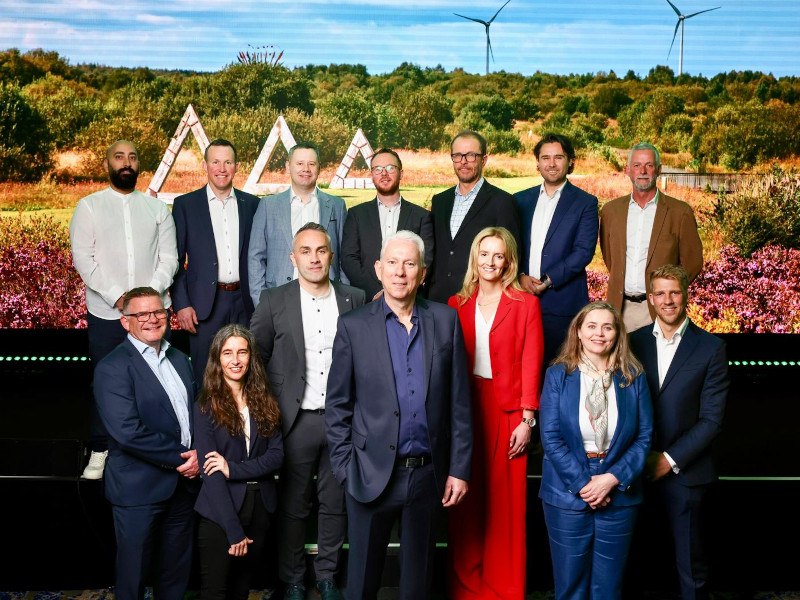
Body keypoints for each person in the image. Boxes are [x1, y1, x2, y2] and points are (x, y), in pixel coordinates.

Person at [326, 230, 472, 600]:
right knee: (361, 583)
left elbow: (459, 404)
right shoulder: (353, 326)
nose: (400, 272)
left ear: (422, 273)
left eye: (409, 264)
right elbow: (338, 405)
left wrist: (458, 469)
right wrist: (346, 467)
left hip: (426, 476)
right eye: (392, 263)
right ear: (378, 269)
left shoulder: (445, 321)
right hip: (369, 473)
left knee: (417, 585)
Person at [250, 223, 365, 600]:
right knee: (294, 506)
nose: (314, 258)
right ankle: (294, 579)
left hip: (342, 421)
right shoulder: (273, 300)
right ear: (293, 257)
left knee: (335, 503)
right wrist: (269, 412)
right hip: (294, 421)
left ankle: (328, 575)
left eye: (321, 251)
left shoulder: (355, 298)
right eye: (306, 251)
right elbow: (257, 359)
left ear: (331, 256)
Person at [70, 140, 178, 479]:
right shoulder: (88, 207)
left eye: (132, 156)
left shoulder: (157, 209)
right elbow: (84, 261)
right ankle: (102, 448)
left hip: (155, 316)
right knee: (106, 381)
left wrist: (146, 303)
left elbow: (170, 259)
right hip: (107, 315)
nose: (126, 162)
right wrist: (122, 300)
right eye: (119, 157)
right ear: (108, 164)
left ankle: (162, 448)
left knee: (157, 381)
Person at [447, 227, 544, 600]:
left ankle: (504, 587)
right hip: (466, 412)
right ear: (475, 258)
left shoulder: (524, 304)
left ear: (508, 261)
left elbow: (532, 361)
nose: (490, 262)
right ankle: (465, 586)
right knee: (466, 502)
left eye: (498, 255)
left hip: (507, 412)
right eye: (484, 254)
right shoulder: (457, 304)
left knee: (505, 506)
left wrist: (527, 418)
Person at [539, 301, 653, 600]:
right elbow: (550, 436)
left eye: (607, 327)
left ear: (617, 334)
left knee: (609, 588)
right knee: (570, 587)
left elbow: (644, 436)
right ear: (578, 331)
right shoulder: (558, 375)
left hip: (619, 489)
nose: (598, 334)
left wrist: (612, 478)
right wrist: (583, 484)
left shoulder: (633, 376)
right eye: (591, 326)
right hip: (566, 490)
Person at [629, 265, 728, 600]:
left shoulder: (711, 348)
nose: (667, 300)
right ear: (652, 299)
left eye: (674, 292)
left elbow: (712, 420)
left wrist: (668, 460)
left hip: (686, 474)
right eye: (660, 293)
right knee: (635, 566)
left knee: (691, 571)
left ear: (686, 294)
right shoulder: (632, 342)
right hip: (634, 471)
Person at [93, 287, 197, 600]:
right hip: (138, 488)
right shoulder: (112, 368)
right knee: (133, 576)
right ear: (126, 322)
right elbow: (128, 431)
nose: (151, 319)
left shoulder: (180, 358)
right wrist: (183, 458)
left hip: (183, 487)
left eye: (158, 312)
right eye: (141, 314)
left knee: (176, 574)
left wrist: (200, 452)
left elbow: (195, 416)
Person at [193, 324, 284, 600]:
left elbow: (277, 456)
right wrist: (233, 532)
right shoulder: (205, 405)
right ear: (217, 359)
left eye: (242, 352)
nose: (235, 360)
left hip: (260, 508)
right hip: (221, 514)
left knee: (242, 590)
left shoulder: (265, 400)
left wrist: (232, 468)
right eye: (228, 353)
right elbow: (211, 475)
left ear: (251, 357)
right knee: (216, 593)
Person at [170, 139, 261, 382]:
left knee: (247, 372)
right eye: (216, 162)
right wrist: (181, 304)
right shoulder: (185, 205)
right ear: (205, 165)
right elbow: (175, 261)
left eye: (228, 162)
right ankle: (205, 421)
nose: (222, 168)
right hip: (203, 306)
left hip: (245, 302)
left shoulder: (252, 204)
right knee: (205, 374)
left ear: (236, 166)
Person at [514, 133, 599, 367]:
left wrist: (547, 280)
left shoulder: (585, 203)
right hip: (521, 299)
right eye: (545, 158)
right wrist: (520, 276)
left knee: (560, 371)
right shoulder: (520, 200)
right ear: (537, 163)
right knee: (523, 369)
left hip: (562, 305)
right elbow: (512, 246)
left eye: (558, 157)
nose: (551, 164)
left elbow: (583, 251)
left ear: (570, 161)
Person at [599, 142, 703, 333]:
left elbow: (693, 262)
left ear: (659, 170)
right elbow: (610, 259)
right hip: (620, 309)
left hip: (660, 310)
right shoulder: (611, 211)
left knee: (659, 363)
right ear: (628, 170)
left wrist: (667, 295)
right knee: (622, 363)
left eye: (649, 165)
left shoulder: (680, 212)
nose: (643, 171)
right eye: (637, 165)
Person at [248, 142, 348, 306]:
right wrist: (261, 302)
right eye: (300, 163)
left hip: (327, 296)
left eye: (311, 164)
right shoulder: (268, 206)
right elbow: (255, 257)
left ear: (319, 167)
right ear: (288, 166)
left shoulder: (336, 205)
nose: (306, 169)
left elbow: (344, 255)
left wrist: (344, 297)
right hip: (280, 296)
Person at [427, 130, 521, 303]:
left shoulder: (503, 202)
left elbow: (510, 256)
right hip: (437, 298)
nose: (463, 162)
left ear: (484, 160)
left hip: (478, 300)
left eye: (471, 155)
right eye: (457, 155)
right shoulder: (440, 200)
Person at [341, 148, 434, 300]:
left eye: (390, 168)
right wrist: (375, 291)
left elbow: (426, 259)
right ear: (372, 175)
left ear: (401, 174)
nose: (384, 173)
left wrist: (401, 289)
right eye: (378, 169)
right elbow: (349, 259)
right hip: (368, 299)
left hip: (410, 299)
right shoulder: (356, 215)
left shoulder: (421, 216)